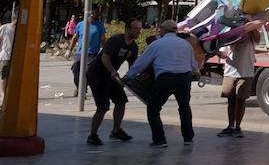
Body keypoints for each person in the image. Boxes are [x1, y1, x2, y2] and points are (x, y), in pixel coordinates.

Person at [128, 19, 198, 147]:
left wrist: (129, 76)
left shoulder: (157, 44)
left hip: (166, 78)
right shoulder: (186, 44)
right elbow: (193, 66)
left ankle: (159, 140)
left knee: (153, 108)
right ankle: (188, 138)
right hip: (184, 78)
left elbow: (141, 63)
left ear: (164, 30)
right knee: (184, 107)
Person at [85, 18, 143, 146]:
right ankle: (92, 135)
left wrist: (132, 78)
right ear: (127, 29)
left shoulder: (133, 47)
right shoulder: (116, 40)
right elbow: (105, 57)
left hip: (111, 77)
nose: (138, 31)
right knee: (103, 106)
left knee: (121, 100)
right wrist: (113, 71)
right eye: (136, 28)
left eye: (140, 28)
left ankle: (116, 130)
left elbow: (133, 66)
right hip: (97, 75)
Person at [218, 19, 266, 139]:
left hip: (245, 73)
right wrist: (217, 52)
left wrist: (251, 24)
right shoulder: (229, 35)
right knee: (231, 101)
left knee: (241, 100)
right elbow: (222, 51)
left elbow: (257, 38)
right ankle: (230, 126)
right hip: (230, 72)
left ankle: (237, 127)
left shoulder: (251, 36)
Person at [69, 15, 106, 96]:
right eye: (90, 13)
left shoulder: (99, 26)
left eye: (93, 13)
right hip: (80, 52)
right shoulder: (80, 24)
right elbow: (75, 38)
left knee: (89, 71)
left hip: (92, 53)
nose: (92, 15)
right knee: (75, 69)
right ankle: (79, 87)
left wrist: (106, 51)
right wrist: (69, 50)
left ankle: (83, 88)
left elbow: (103, 39)